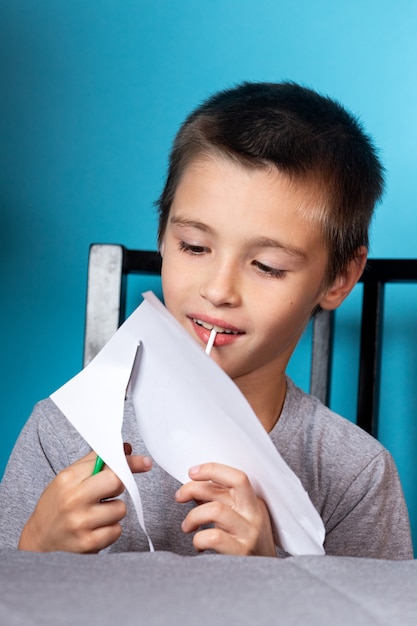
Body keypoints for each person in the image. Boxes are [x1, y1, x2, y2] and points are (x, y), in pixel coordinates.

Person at [0, 81, 413, 559]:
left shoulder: (355, 475)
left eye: (267, 266)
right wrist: (33, 548)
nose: (218, 290)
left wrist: (269, 576)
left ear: (339, 278)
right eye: (194, 247)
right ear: (161, 236)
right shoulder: (61, 434)